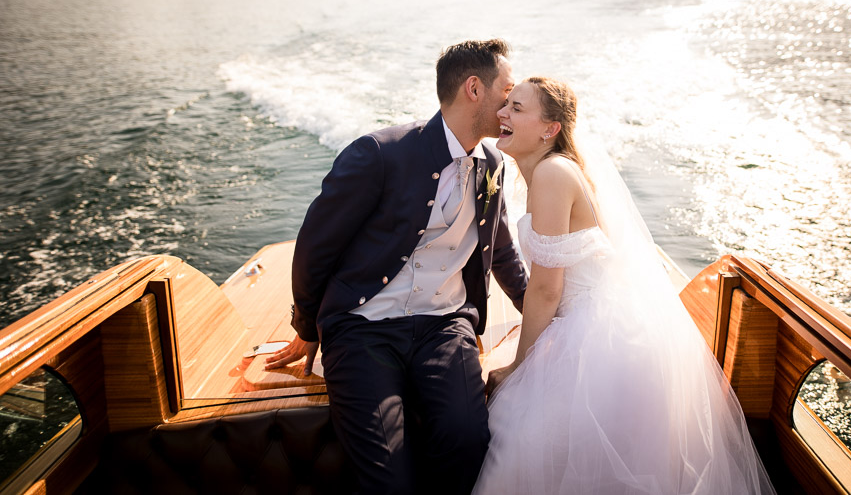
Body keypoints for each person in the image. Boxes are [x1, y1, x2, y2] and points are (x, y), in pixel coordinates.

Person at [473, 77, 775, 495]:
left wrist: (517, 368)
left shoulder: (551, 173)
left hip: (596, 337)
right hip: (597, 322)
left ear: (550, 129)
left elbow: (547, 290)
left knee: (515, 437)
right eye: (506, 104)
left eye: (517, 108)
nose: (502, 113)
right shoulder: (556, 168)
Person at [265, 39, 529, 495]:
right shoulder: (378, 153)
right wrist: (307, 326)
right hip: (362, 326)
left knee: (468, 441)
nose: (511, 105)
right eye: (507, 91)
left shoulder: (492, 164)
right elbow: (315, 247)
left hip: (445, 324)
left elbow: (501, 251)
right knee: (387, 475)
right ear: (474, 89)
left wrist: (548, 319)